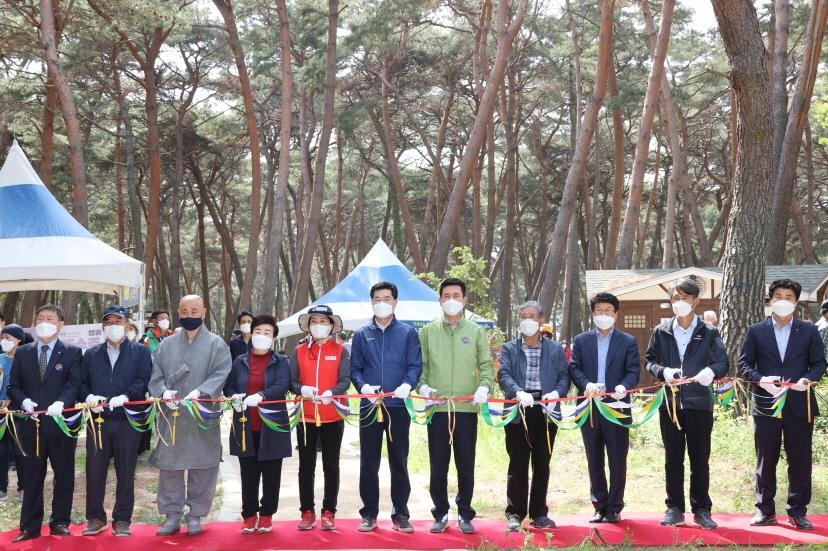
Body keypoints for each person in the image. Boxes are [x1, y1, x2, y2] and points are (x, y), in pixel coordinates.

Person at [738, 278, 826, 530]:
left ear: (796, 302)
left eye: (788, 297)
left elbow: (819, 363)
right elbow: (744, 365)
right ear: (770, 300)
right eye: (778, 296)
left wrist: (807, 380)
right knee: (766, 459)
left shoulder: (809, 331)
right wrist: (761, 379)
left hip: (800, 404)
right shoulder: (756, 331)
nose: (783, 301)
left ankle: (797, 511)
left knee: (799, 460)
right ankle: (765, 510)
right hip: (767, 404)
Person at [644, 279, 729, 530]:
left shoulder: (709, 331)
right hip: (670, 404)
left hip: (699, 403)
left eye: (684, 297)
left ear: (695, 301)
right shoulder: (662, 330)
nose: (679, 302)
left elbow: (723, 363)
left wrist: (711, 372)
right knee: (673, 458)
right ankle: (674, 508)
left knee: (699, 458)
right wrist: (663, 372)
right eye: (675, 298)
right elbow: (649, 361)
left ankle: (701, 508)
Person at [148, 294, 232, 536]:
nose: (189, 316)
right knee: (171, 468)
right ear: (178, 312)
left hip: (201, 414)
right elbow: (156, 374)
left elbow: (221, 372)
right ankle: (172, 515)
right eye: (184, 311)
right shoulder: (166, 344)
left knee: (203, 466)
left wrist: (201, 392)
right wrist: (163, 393)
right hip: (172, 416)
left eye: (194, 311)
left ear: (204, 312)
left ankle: (195, 514)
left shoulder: (216, 344)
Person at [418, 277, 493, 534]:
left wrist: (484, 386)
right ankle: (440, 513)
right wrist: (423, 387)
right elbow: (422, 368)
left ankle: (465, 513)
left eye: (456, 296)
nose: (451, 300)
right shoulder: (427, 332)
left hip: (466, 408)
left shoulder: (476, 331)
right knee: (438, 463)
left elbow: (486, 366)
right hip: (438, 409)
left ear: (464, 300)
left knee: (465, 463)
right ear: (440, 300)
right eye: (446, 296)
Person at [350, 282, 422, 533]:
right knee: (369, 461)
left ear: (395, 301)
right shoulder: (361, 334)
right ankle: (369, 513)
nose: (382, 302)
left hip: (398, 405)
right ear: (371, 302)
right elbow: (355, 369)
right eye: (377, 298)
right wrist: (363, 387)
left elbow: (415, 365)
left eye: (387, 298)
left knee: (398, 460)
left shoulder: (408, 332)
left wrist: (407, 384)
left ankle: (400, 513)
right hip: (369, 406)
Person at [7, 304, 82, 542]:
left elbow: (74, 384)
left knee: (64, 475)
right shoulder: (23, 352)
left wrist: (61, 402)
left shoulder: (71, 352)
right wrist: (24, 400)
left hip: (60, 424)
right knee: (31, 476)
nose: (43, 322)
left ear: (60, 324)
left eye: (49, 318)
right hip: (31, 425)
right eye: (40, 318)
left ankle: (60, 522)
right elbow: (13, 386)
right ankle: (29, 526)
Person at [79, 305, 153, 537]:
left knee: (126, 470)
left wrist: (127, 396)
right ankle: (96, 517)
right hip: (98, 420)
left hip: (127, 420)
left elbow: (144, 379)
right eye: (108, 322)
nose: (113, 326)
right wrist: (88, 396)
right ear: (103, 327)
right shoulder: (91, 354)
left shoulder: (140, 352)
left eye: (117, 322)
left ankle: (122, 519)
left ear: (127, 325)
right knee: (95, 469)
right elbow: (80, 383)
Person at [497, 301, 569, 532]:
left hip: (545, 411)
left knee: (542, 463)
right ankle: (515, 514)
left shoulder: (555, 349)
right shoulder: (509, 348)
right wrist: (517, 391)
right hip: (518, 410)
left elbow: (564, 377)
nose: (527, 319)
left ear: (541, 320)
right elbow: (504, 374)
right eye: (522, 316)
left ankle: (539, 513)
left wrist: (556, 394)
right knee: (518, 463)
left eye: (532, 315)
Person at [569, 292, 639, 524]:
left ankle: (615, 507)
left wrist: (623, 386)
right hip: (589, 407)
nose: (603, 314)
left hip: (616, 407)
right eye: (599, 310)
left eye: (608, 310)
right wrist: (586, 384)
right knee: (594, 458)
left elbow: (633, 371)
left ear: (616, 314)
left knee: (618, 458)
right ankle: (599, 505)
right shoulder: (581, 340)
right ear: (593, 313)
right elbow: (574, 367)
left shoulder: (627, 341)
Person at [224, 314, 291, 534]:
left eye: (267, 333)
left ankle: (266, 514)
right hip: (245, 424)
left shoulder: (281, 361)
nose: (262, 336)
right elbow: (230, 386)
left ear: (274, 338)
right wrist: (233, 397)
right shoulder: (240, 360)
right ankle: (249, 514)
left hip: (271, 425)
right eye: (258, 332)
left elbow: (282, 385)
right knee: (248, 473)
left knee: (272, 473)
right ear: (251, 334)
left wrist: (261, 395)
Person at [290, 305, 350, 531]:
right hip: (305, 416)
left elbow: (345, 379)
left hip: (332, 415)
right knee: (306, 466)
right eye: (314, 321)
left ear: (331, 326)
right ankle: (307, 511)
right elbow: (291, 382)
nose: (318, 325)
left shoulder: (342, 350)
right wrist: (302, 389)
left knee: (331, 466)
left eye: (323, 321)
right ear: (308, 325)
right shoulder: (299, 351)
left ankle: (329, 511)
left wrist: (332, 393)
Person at [0, 324, 26, 501]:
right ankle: (1, 487)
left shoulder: (25, 359)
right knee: (1, 451)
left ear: (19, 340)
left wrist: (13, 400)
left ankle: (23, 487)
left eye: (8, 338)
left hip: (18, 411)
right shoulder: (0, 359)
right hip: (1, 411)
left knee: (20, 450)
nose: (4, 341)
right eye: (2, 337)